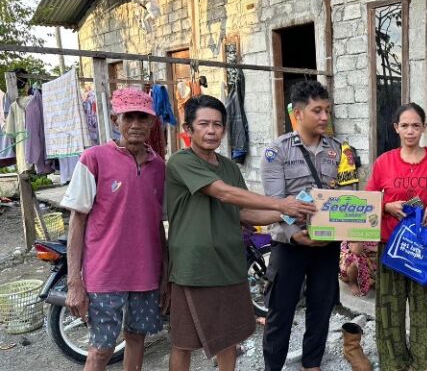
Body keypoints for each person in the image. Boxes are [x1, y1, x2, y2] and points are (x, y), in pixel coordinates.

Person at [166, 95, 315, 371]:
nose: (212, 130)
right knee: (183, 341)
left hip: (230, 263)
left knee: (229, 338)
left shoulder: (229, 166)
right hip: (193, 267)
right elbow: (221, 192)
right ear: (188, 129)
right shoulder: (179, 162)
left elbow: (244, 212)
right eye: (204, 124)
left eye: (218, 125)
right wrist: (282, 203)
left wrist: (290, 213)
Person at [62, 88, 167, 371]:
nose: (135, 124)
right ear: (114, 119)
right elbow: (77, 220)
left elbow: (157, 224)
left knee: (136, 338)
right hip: (105, 274)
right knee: (101, 349)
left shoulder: (159, 166)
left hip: (145, 274)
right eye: (128, 116)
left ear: (152, 122)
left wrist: (165, 273)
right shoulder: (94, 158)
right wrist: (74, 281)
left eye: (143, 117)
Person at [261, 80, 351, 371]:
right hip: (289, 245)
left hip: (326, 245)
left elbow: (348, 197)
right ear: (298, 113)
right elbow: (274, 202)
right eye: (317, 110)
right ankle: (272, 366)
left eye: (327, 110)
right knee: (281, 311)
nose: (325, 117)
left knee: (321, 309)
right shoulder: (277, 151)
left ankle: (312, 363)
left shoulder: (339, 151)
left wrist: (344, 232)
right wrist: (294, 234)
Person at [365, 102, 427, 371]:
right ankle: (393, 364)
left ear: (424, 127)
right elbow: (367, 200)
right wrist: (385, 206)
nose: (410, 131)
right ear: (396, 129)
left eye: (416, 125)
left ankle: (425, 364)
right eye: (405, 126)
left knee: (425, 307)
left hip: (424, 249)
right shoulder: (384, 162)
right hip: (390, 246)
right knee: (389, 308)